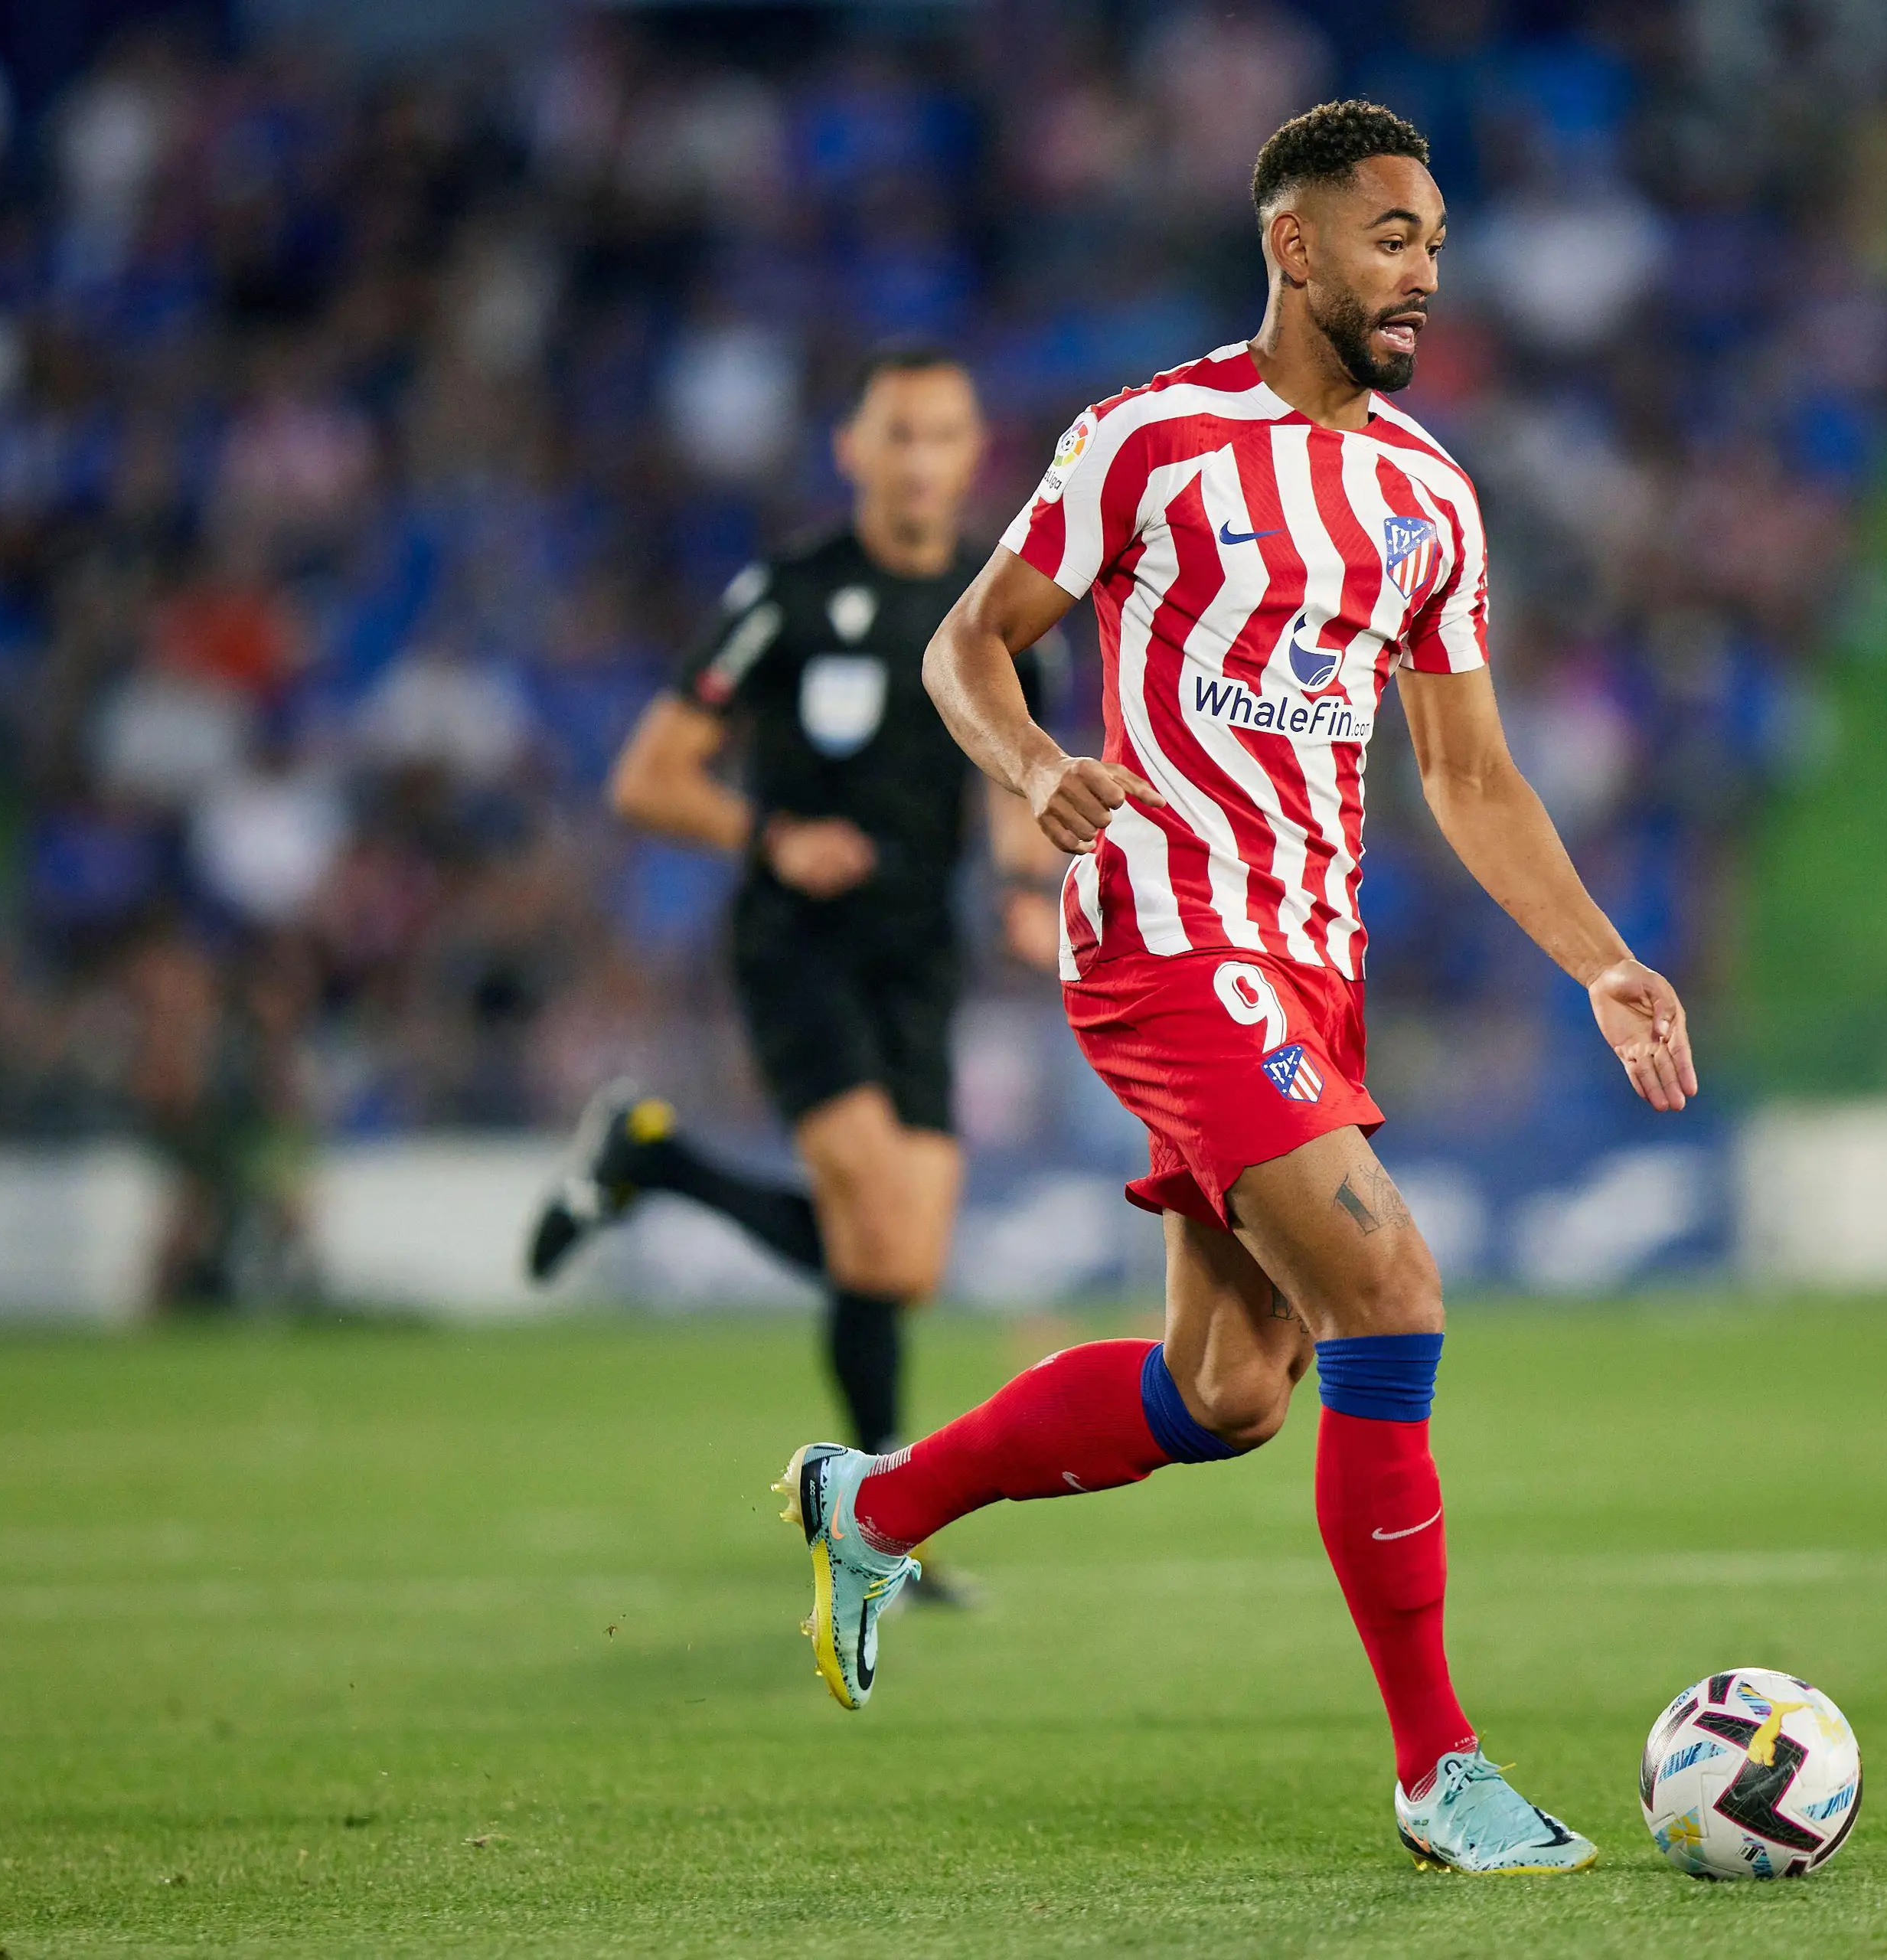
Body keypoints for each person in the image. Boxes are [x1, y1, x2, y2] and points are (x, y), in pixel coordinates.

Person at [772, 102, 1696, 1877]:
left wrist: (1604, 960)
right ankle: (1441, 1771)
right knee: (1394, 1293)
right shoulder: (1145, 439)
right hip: (1167, 936)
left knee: (1233, 1391)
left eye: (1435, 240)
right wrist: (1034, 765)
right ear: (1294, 246)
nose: (1423, 271)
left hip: (1311, 961)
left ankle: (874, 1502)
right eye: (1391, 236)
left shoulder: (1429, 496)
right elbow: (963, 639)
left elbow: (1473, 776)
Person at [529, 347, 1057, 1596]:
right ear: (855, 451)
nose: (922, 459)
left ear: (973, 452)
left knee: (903, 1264)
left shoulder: (1007, 612)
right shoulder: (789, 594)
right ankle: (881, 1523)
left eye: (944, 435)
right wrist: (771, 836)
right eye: (899, 435)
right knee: (873, 1218)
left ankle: (651, 1160)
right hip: (798, 946)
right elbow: (649, 776)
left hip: (920, 955)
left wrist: (1032, 896)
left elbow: (1019, 784)